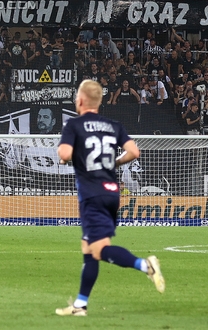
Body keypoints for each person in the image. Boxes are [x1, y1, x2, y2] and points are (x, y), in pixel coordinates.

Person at [54, 79, 164, 317]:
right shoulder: (113, 125)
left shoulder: (74, 124)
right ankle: (80, 306)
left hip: (92, 194)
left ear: (80, 101)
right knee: (88, 248)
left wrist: (66, 155)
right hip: (112, 193)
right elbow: (134, 151)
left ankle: (145, 266)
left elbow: (64, 153)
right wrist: (115, 162)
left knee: (99, 249)